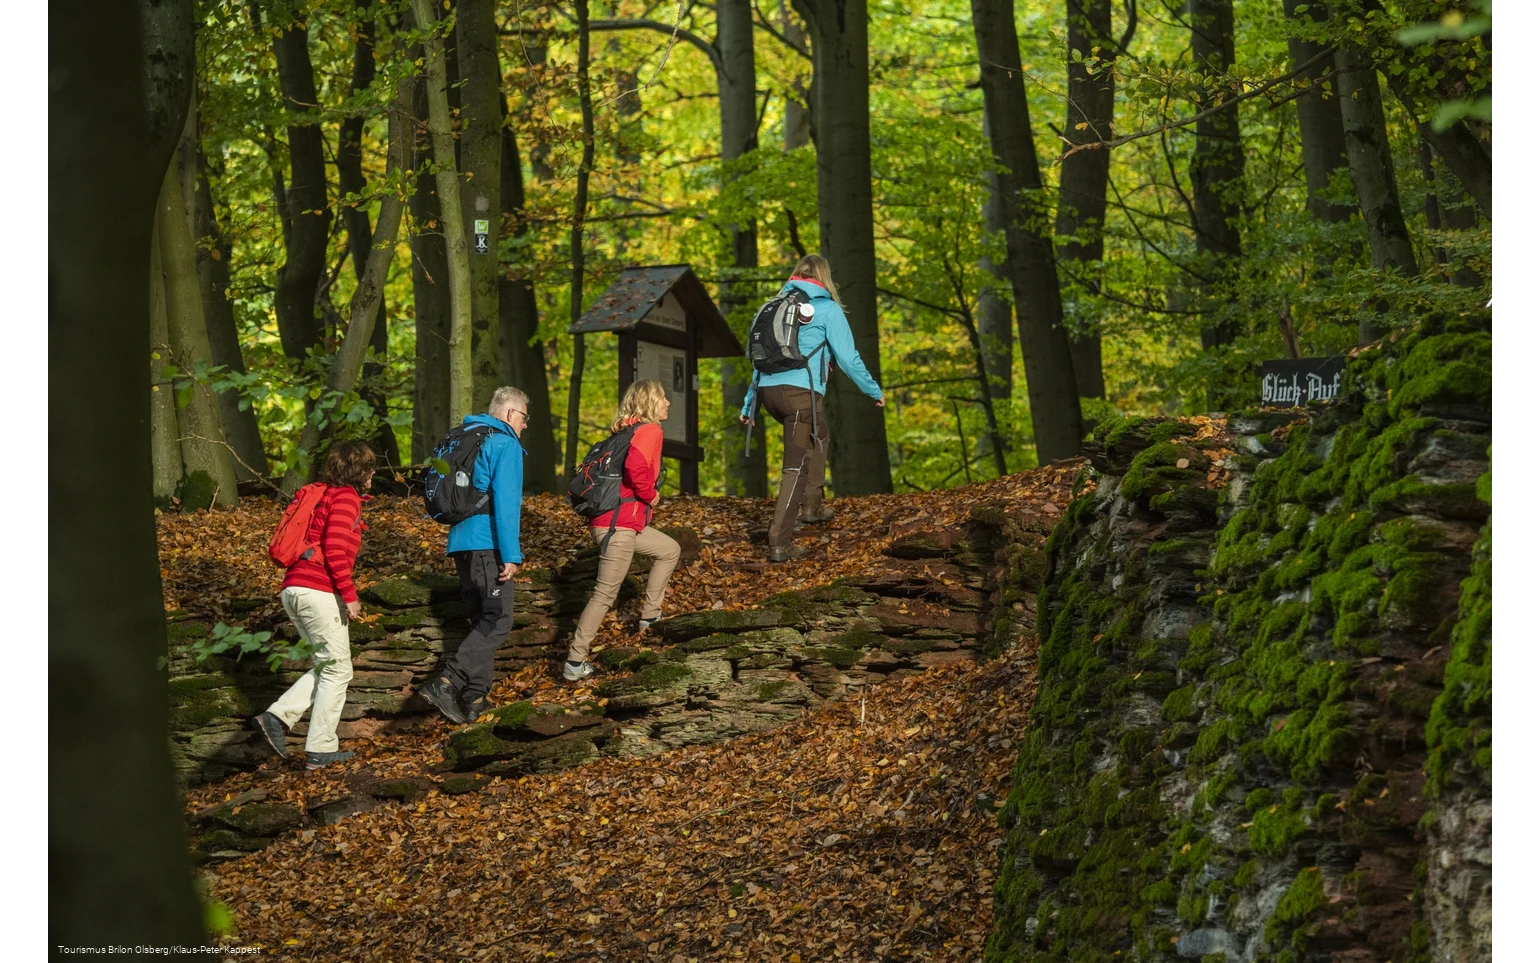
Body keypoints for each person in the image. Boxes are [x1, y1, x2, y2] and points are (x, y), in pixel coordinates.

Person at [740, 254, 885, 562]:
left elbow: (760, 358)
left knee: (820, 435)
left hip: (769, 394)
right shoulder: (828, 309)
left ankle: (812, 506)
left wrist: (749, 404)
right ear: (824, 278)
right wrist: (873, 390)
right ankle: (779, 541)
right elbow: (848, 358)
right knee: (795, 465)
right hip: (800, 396)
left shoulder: (774, 307)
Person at [252, 440, 375, 771]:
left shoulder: (323, 495)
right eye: (370, 467)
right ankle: (309, 740)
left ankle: (283, 723)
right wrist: (349, 595)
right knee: (338, 668)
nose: (374, 473)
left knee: (327, 665)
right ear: (361, 471)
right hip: (317, 589)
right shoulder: (346, 498)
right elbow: (334, 550)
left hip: (295, 587)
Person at [417, 387, 528, 724]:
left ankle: (474, 700)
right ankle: (447, 681)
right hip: (487, 543)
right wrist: (511, 555)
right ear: (510, 414)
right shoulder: (504, 443)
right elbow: (507, 505)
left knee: (482, 621)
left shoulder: (466, 436)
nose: (525, 425)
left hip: (462, 543)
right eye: (524, 417)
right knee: (499, 619)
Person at [563, 380, 682, 682]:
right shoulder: (650, 430)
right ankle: (575, 661)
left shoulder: (624, 432)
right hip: (618, 525)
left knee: (669, 550)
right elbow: (636, 469)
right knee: (605, 594)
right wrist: (649, 495)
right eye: (663, 397)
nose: (668, 402)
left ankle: (650, 617)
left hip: (617, 523)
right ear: (649, 403)